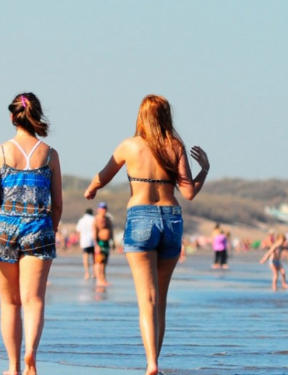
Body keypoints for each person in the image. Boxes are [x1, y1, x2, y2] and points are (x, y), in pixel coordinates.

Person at [84, 94, 209, 375]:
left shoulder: (130, 146)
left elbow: (105, 173)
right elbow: (188, 193)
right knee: (160, 299)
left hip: (141, 217)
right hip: (171, 219)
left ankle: (150, 364)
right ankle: (156, 363)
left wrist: (91, 188)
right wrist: (205, 170)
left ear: (141, 117)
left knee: (146, 298)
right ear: (166, 117)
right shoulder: (175, 146)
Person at [0, 92, 62, 375]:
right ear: (35, 115)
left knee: (10, 302)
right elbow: (57, 203)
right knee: (34, 299)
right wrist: (52, 229)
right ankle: (31, 358)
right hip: (39, 227)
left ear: (13, 117)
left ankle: (12, 366)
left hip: (4, 229)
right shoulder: (50, 154)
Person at [94, 202, 114, 287]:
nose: (104, 210)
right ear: (98, 209)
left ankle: (104, 279)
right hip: (100, 242)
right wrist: (96, 245)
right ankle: (99, 280)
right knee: (99, 262)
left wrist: (113, 242)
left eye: (105, 208)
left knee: (105, 262)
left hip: (107, 243)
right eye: (102, 208)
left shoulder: (108, 219)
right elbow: (94, 233)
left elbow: (111, 230)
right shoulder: (96, 219)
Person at [76, 208, 95, 279]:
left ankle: (87, 273)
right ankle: (94, 273)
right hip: (93, 241)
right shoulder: (94, 219)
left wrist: (79, 240)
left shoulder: (81, 220)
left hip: (84, 241)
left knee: (85, 258)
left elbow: (78, 230)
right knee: (94, 258)